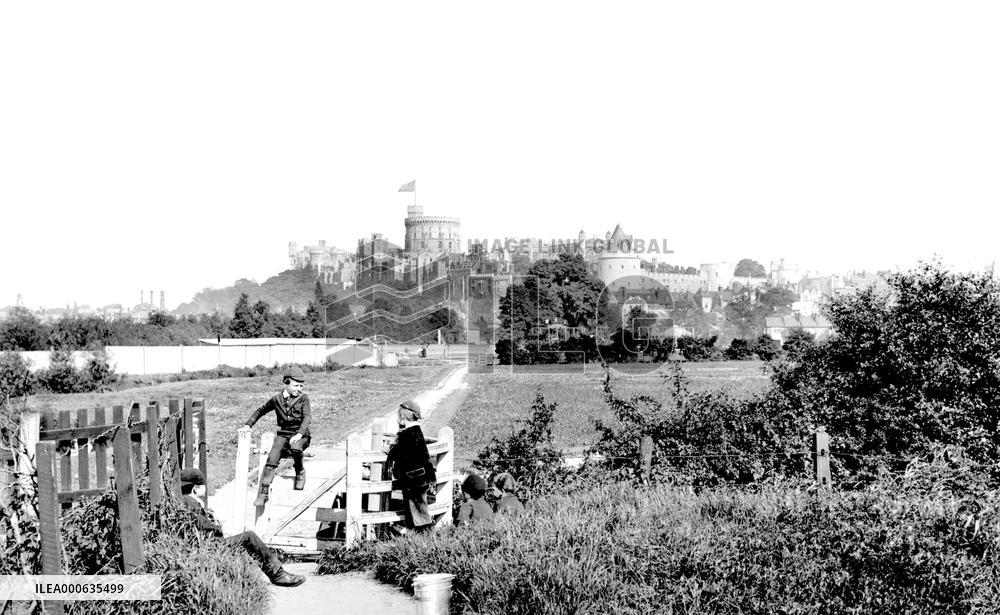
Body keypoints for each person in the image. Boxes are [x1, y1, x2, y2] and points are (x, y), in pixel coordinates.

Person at [180, 468, 305, 587]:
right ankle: (277, 574)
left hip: (202, 547)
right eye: (203, 485)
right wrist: (218, 527)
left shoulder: (187, 501)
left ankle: (261, 573)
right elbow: (205, 528)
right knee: (249, 537)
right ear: (195, 488)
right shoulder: (192, 503)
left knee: (245, 538)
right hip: (210, 548)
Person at [240, 366, 312, 506]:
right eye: (296, 385)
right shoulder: (276, 399)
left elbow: (307, 418)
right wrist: (248, 425)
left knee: (296, 448)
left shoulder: (304, 399)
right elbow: (260, 410)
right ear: (286, 382)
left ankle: (300, 470)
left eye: (301, 386)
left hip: (301, 435)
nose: (299, 389)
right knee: (272, 459)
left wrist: (299, 433)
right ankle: (263, 493)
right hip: (284, 434)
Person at [384, 399, 437, 533]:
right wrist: (431, 477)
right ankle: (422, 533)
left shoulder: (406, 434)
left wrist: (388, 450)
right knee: (420, 506)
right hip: (421, 477)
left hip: (412, 479)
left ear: (402, 417)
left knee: (417, 509)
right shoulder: (417, 431)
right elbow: (425, 456)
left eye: (398, 417)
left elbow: (396, 453)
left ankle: (424, 535)